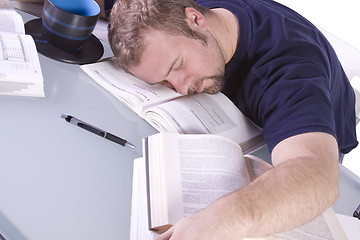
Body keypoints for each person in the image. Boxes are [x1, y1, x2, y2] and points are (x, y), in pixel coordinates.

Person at [104, 0, 358, 239]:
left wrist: (218, 221)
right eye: (163, 82)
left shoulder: (287, 70)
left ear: (195, 19)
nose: (181, 89)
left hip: (318, 132)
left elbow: (315, 175)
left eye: (178, 65)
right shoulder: (165, 13)